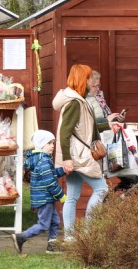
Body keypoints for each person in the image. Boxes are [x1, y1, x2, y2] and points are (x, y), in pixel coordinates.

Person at [52, 64, 110, 241]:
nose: (91, 81)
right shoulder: (75, 103)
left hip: (76, 156)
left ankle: (70, 240)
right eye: (88, 77)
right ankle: (86, 234)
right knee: (101, 189)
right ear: (81, 79)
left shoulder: (80, 100)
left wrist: (109, 125)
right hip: (79, 157)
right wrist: (67, 160)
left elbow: (87, 126)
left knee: (72, 196)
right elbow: (65, 132)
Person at [12, 130, 67, 254]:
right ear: (41, 145)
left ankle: (52, 247)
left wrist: (63, 170)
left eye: (53, 143)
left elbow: (51, 174)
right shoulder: (44, 161)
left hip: (44, 198)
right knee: (43, 224)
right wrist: (62, 196)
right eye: (49, 143)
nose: (53, 145)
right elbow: (50, 182)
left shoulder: (40, 159)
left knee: (55, 222)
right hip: (45, 199)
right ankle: (21, 237)